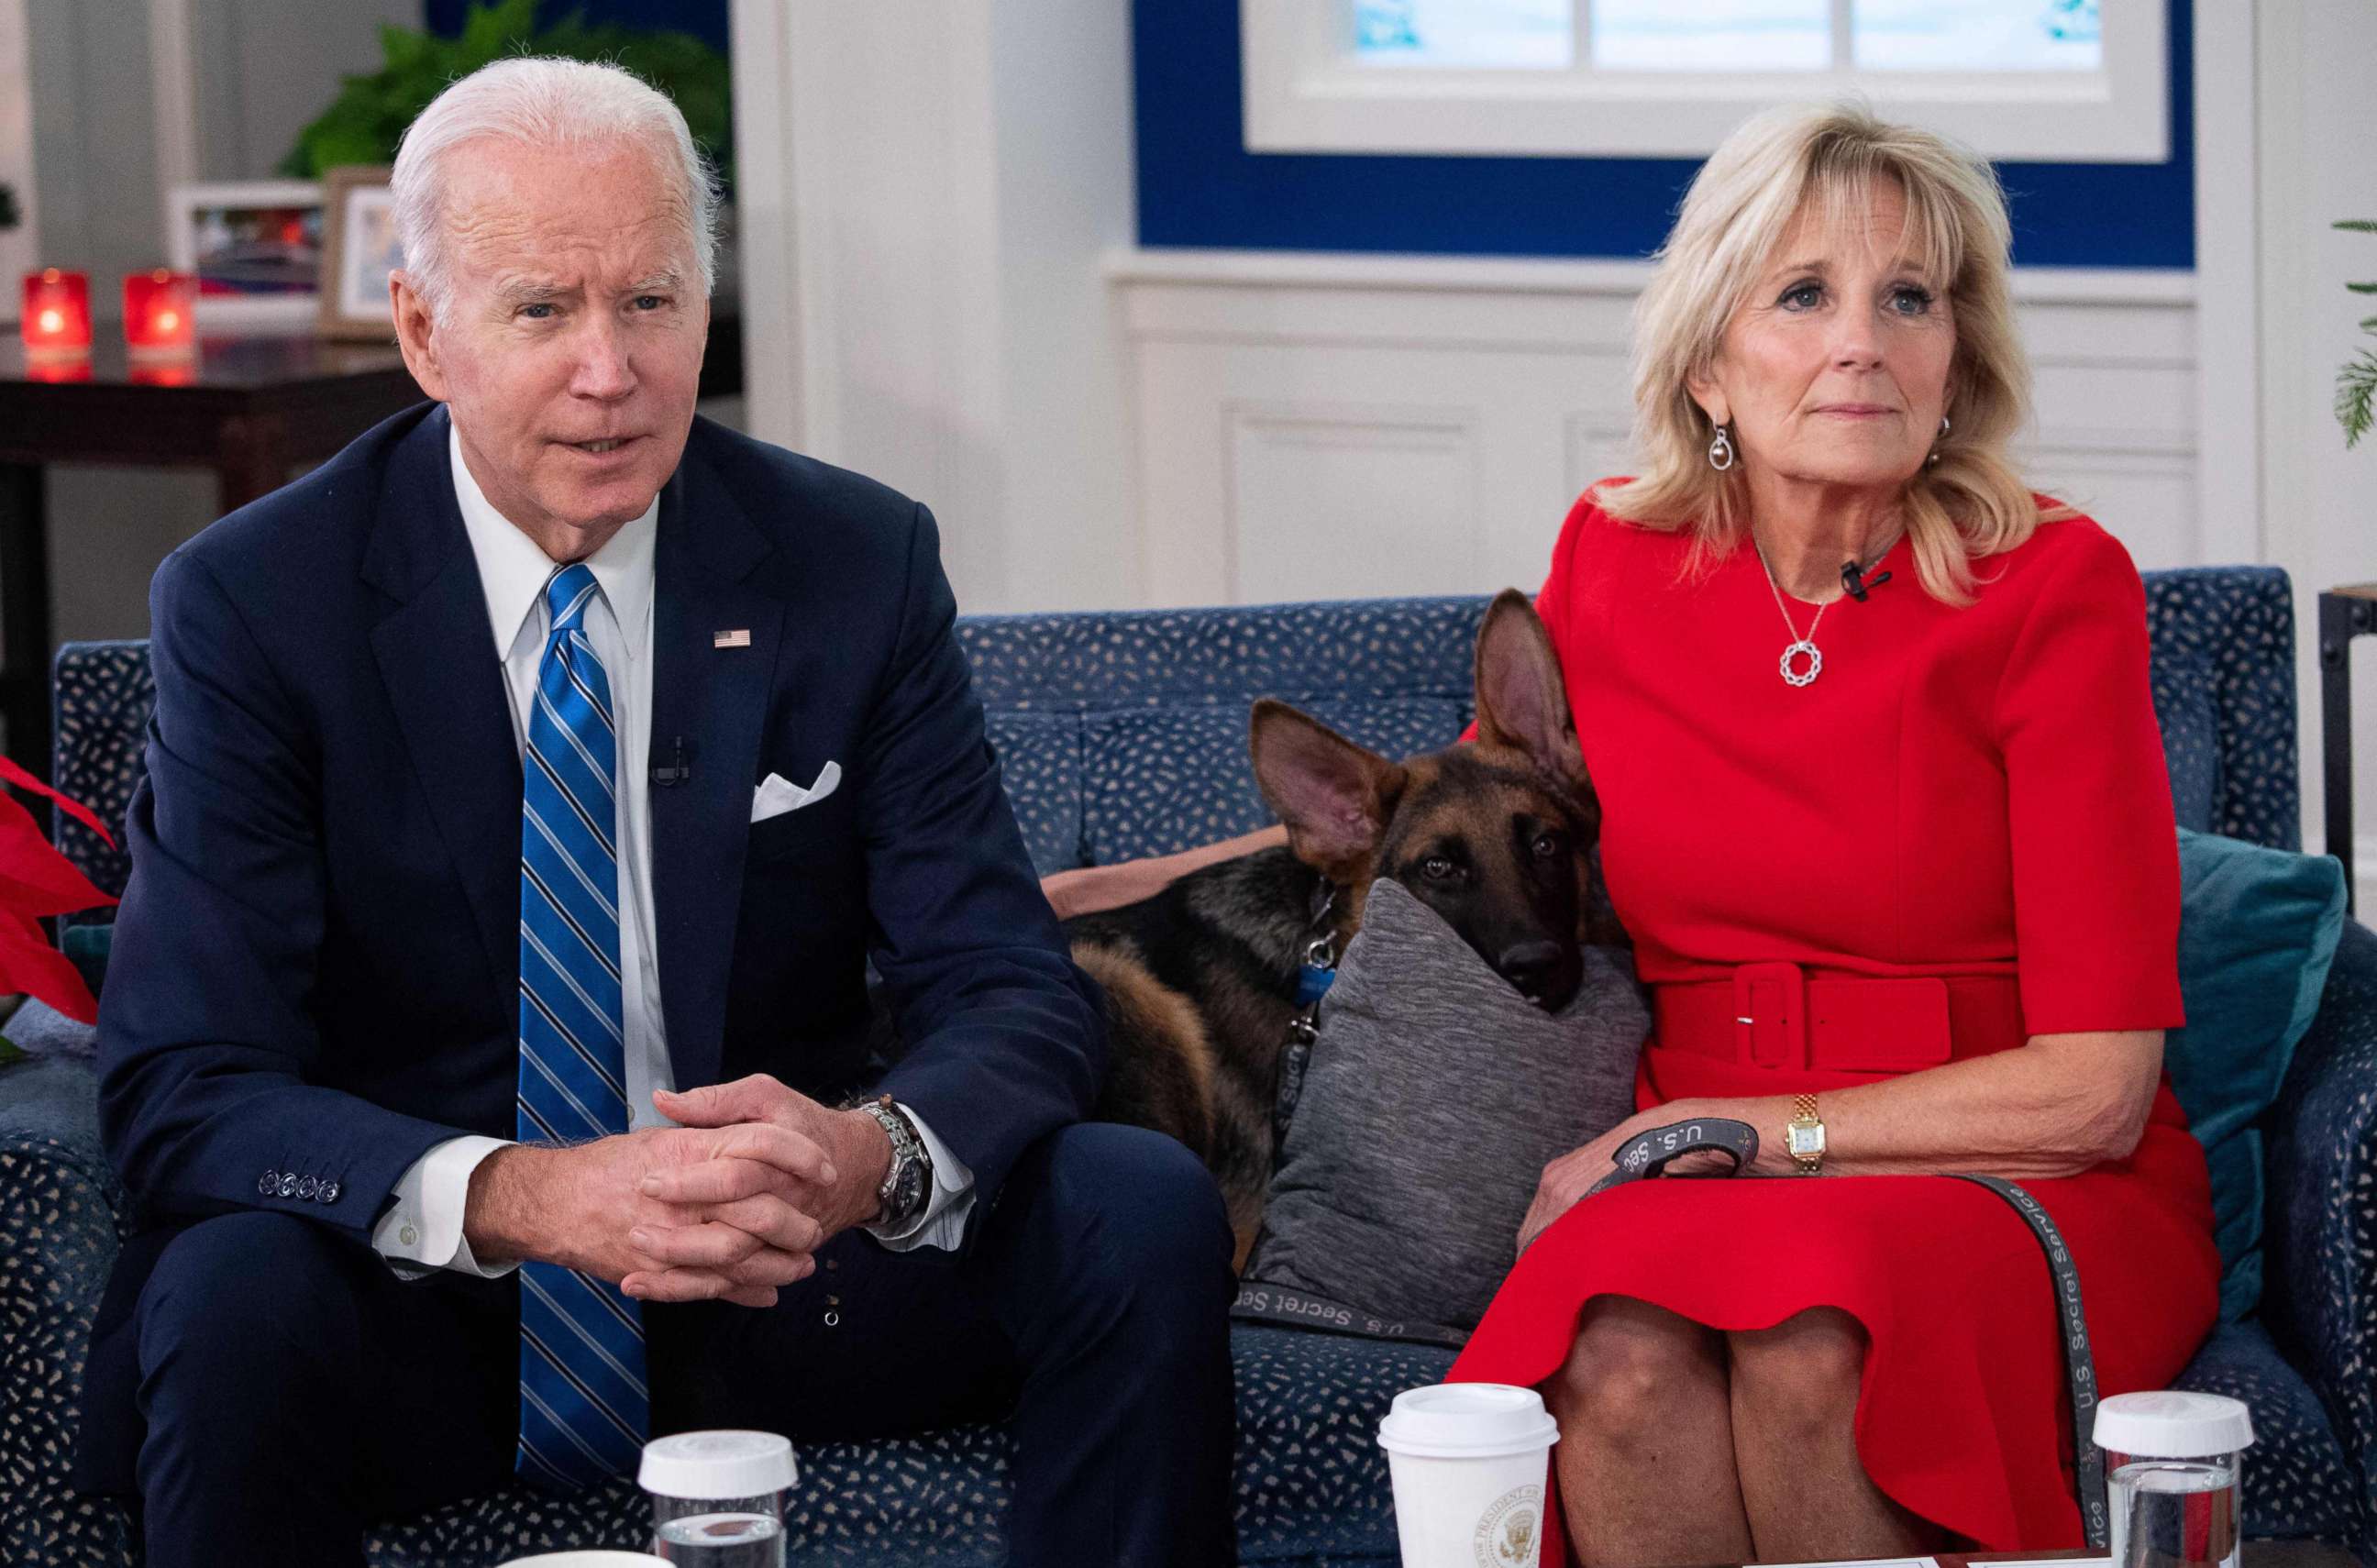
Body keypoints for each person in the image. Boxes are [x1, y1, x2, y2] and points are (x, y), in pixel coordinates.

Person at [74, 57, 1235, 1568]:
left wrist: (866, 1154)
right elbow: (180, 1084)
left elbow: (1006, 985)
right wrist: (529, 1195)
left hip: (777, 1276)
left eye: (653, 302)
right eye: (543, 309)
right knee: (226, 1290)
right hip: (429, 1298)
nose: (610, 371)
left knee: (1131, 1203)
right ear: (426, 332)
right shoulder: (254, 602)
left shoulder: (852, 561)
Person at [1051, 102, 2217, 1564]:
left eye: (1907, 296)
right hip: (1693, 1152)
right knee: (1611, 1359)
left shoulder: (2054, 588)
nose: (1862, 338)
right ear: (1712, 361)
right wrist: (1093, 885)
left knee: (1808, 1352)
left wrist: (1739, 1131)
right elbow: (1438, 811)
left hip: (1991, 1154)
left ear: (1957, 355)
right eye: (1805, 293)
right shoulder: (1617, 560)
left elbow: (2100, 1091)